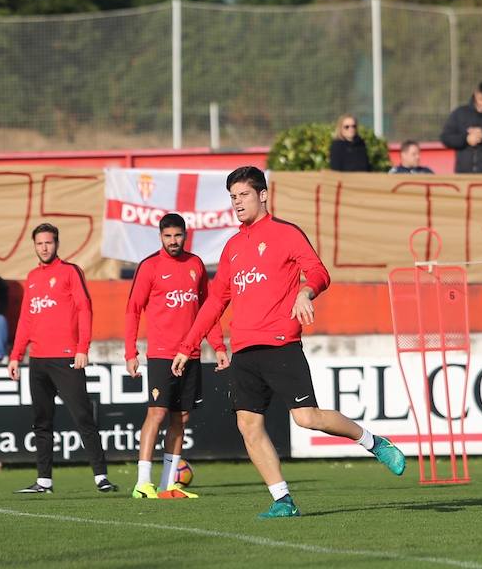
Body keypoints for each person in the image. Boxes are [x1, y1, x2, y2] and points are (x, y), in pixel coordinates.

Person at [172, 166, 405, 519]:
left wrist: (305, 292)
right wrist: (187, 345)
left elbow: (318, 272)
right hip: (245, 351)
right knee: (248, 426)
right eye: (233, 197)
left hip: (280, 343)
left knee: (307, 417)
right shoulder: (233, 247)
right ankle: (283, 500)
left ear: (263, 195)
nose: (237, 202)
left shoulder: (285, 233)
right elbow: (216, 302)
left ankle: (373, 442)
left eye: (244, 195)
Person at [7, 223, 117, 494]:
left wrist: (82, 347)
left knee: (82, 418)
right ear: (35, 246)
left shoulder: (69, 272)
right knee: (42, 421)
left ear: (56, 244)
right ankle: (44, 481)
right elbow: (26, 319)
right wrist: (15, 355)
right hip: (38, 360)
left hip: (67, 357)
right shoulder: (32, 277)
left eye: (49, 242)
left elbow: (84, 308)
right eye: (40, 243)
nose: (44, 247)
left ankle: (101, 477)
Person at [125, 213, 219, 499]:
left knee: (182, 417)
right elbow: (133, 309)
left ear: (185, 235)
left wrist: (219, 346)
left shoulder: (195, 265)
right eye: (168, 236)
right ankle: (143, 483)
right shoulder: (150, 266)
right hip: (162, 355)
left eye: (178, 235)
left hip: (191, 355)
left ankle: (168, 484)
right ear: (160, 237)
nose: (173, 241)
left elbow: (208, 310)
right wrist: (131, 351)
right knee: (157, 413)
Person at [440, 80, 482, 173]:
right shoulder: (460, 113)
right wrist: (466, 139)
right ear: (475, 95)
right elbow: (446, 138)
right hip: (462, 175)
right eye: (481, 99)